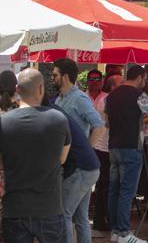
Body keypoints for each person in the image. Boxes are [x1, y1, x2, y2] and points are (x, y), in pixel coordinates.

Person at [0, 68, 71, 242]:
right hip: (49, 207)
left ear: (17, 90)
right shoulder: (58, 119)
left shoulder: (3, 122)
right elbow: (62, 158)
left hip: (14, 208)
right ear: (41, 89)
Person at [105, 65, 148, 243]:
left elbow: (106, 121)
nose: (145, 82)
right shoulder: (139, 95)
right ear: (139, 77)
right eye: (144, 79)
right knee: (127, 191)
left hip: (113, 147)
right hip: (131, 147)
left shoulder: (111, 95)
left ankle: (115, 230)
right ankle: (123, 232)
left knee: (114, 190)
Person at [43, 95, 100, 243]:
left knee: (64, 214)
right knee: (81, 217)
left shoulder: (50, 115)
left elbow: (99, 125)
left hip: (81, 168)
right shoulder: (54, 110)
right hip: (89, 166)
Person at [92, 73, 123, 236]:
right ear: (112, 86)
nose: (124, 84)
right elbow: (107, 124)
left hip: (104, 146)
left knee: (105, 186)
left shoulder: (107, 99)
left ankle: (103, 219)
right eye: (120, 83)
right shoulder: (107, 100)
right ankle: (99, 220)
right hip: (103, 147)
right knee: (104, 186)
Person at [53, 58, 105, 146]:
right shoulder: (59, 99)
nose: (52, 78)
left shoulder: (79, 98)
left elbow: (99, 127)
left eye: (55, 75)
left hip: (74, 155)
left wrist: (86, 151)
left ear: (65, 77)